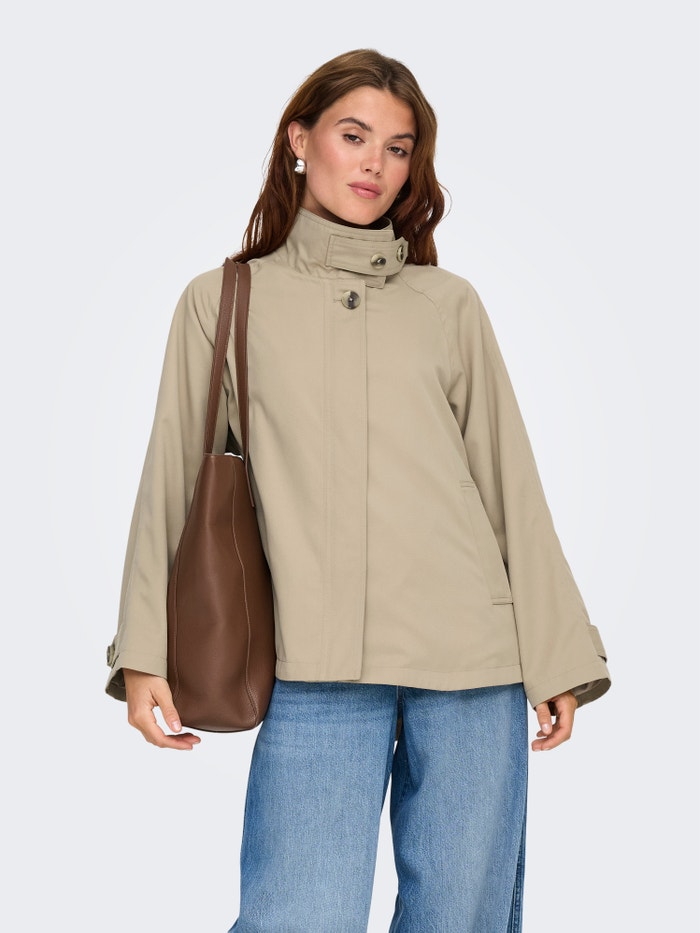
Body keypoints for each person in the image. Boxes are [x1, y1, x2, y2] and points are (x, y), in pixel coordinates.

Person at [105, 48, 611, 932]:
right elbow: (174, 484)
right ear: (299, 141)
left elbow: (510, 488)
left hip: (473, 665)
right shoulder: (223, 300)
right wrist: (143, 648)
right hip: (314, 666)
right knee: (297, 913)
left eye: (399, 147)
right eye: (353, 135)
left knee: (463, 917)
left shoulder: (448, 305)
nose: (376, 162)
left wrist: (559, 653)